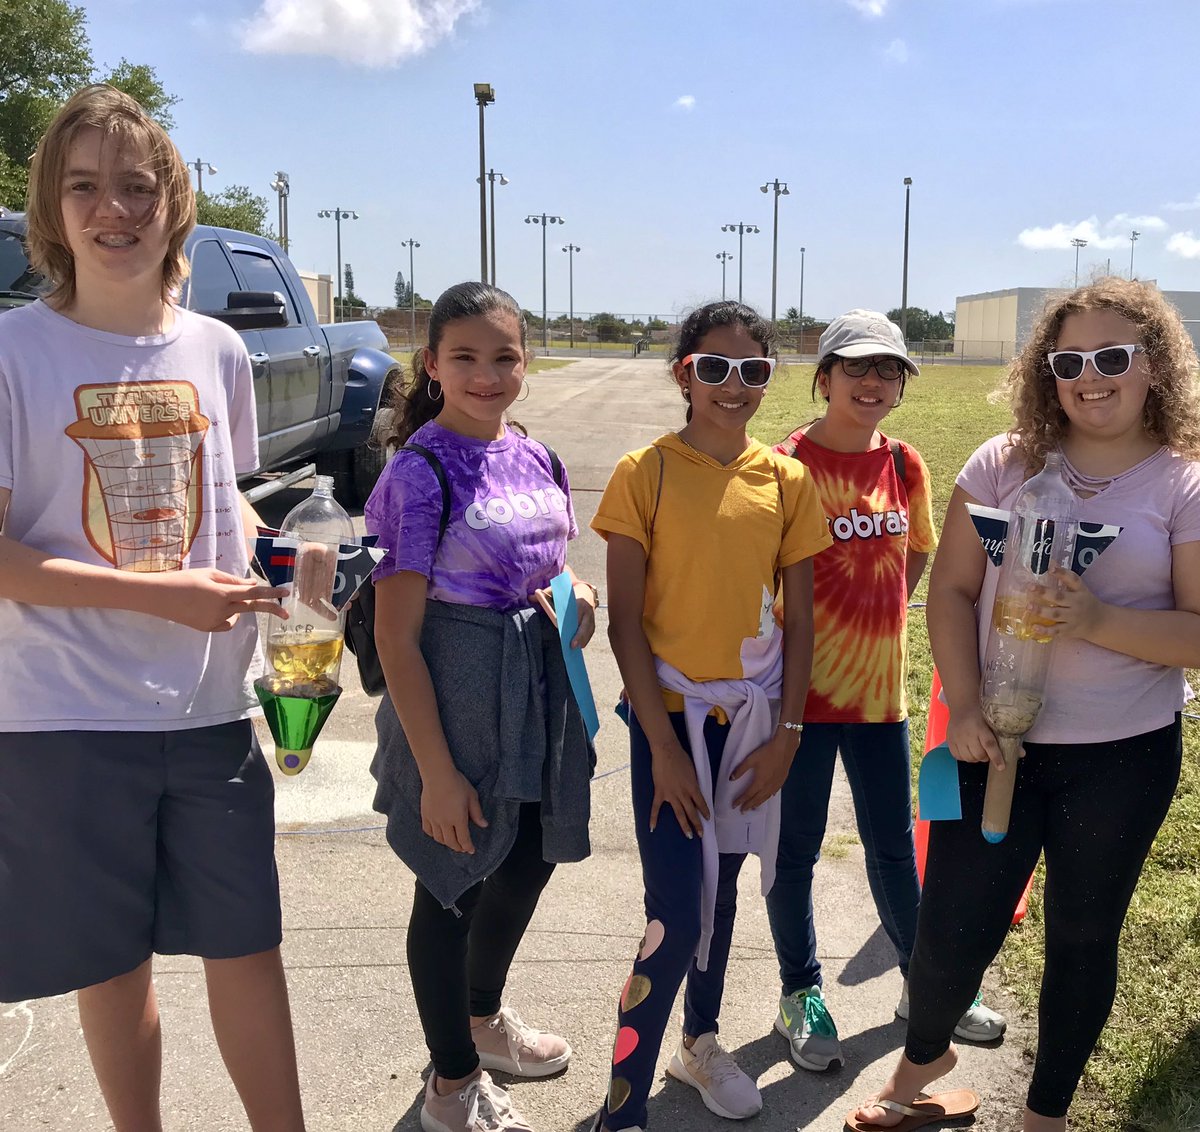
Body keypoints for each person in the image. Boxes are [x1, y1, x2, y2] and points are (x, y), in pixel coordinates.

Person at [0, 85, 306, 1131]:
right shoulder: (13, 354)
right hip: (64, 718)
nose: (113, 209)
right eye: (85, 186)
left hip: (211, 711)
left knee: (248, 947)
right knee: (112, 964)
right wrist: (160, 596)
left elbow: (242, 517)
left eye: (138, 186)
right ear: (53, 206)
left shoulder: (218, 351)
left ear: (174, 203)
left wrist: (308, 575)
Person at [851, 278, 1200, 1131]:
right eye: (1069, 360)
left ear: (1153, 366)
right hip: (992, 744)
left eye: (1113, 357)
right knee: (950, 933)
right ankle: (924, 1065)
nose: (1091, 376)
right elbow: (953, 593)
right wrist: (965, 708)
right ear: (1046, 371)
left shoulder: (1181, 485)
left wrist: (1097, 619)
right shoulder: (1001, 464)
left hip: (1123, 755)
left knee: (1081, 938)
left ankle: (1043, 1115)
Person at [589, 300, 832, 1131]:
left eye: (754, 371)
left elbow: (801, 621)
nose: (735, 387)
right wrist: (661, 745)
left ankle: (699, 1039)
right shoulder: (643, 473)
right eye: (715, 369)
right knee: (676, 910)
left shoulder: (787, 480)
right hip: (670, 724)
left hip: (753, 726)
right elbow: (625, 623)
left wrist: (789, 738)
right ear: (683, 373)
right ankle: (621, 1111)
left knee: (721, 892)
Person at [365, 281, 599, 1132]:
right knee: (453, 880)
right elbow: (396, 641)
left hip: (539, 693)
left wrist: (581, 600)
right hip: (458, 702)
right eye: (464, 358)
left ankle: (480, 1018)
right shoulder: (418, 473)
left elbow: (555, 562)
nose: (486, 375)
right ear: (432, 366)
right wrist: (435, 771)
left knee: (529, 854)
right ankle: (452, 1087)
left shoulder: (534, 454)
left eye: (504, 357)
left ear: (524, 364)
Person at [766, 310, 1005, 1072]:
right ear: (824, 376)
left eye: (889, 369)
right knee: (795, 852)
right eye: (857, 367)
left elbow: (922, 558)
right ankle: (800, 994)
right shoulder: (782, 465)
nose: (873, 382)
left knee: (895, 851)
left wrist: (878, 616)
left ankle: (924, 984)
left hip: (877, 702)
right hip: (797, 704)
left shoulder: (905, 463)